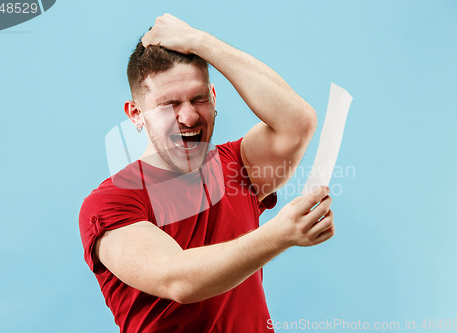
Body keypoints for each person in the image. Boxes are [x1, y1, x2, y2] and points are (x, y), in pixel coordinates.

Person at [79, 14, 335, 333]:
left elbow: (297, 122)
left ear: (213, 98)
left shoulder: (236, 167)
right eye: (169, 104)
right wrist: (279, 235)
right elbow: (177, 279)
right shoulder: (109, 204)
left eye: (199, 99)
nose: (188, 116)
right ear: (136, 114)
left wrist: (200, 41)